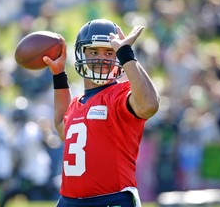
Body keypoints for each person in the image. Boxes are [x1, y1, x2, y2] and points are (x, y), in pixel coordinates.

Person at [43, 18, 159, 207]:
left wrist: (126, 54)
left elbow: (149, 105)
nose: (102, 58)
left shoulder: (121, 93)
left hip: (111, 200)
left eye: (109, 52)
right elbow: (61, 126)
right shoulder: (77, 102)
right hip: (69, 201)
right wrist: (58, 75)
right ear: (82, 54)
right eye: (94, 51)